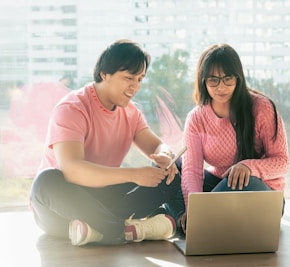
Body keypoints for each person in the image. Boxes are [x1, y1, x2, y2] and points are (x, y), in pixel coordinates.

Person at [30, 39, 181, 246]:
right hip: (63, 204)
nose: (135, 86)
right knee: (45, 181)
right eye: (128, 78)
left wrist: (165, 155)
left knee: (173, 170)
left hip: (103, 200)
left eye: (140, 79)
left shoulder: (131, 112)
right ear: (104, 74)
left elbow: (157, 145)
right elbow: (72, 170)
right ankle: (131, 228)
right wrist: (135, 175)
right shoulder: (72, 108)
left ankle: (99, 230)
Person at [179, 43, 290, 233]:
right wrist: (193, 206)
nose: (221, 87)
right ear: (203, 81)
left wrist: (249, 167)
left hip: (259, 192)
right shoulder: (196, 118)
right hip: (218, 185)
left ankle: (196, 222)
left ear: (238, 78)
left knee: (243, 180)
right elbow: (192, 170)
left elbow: (282, 162)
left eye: (227, 79)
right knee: (172, 168)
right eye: (213, 80)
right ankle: (195, 218)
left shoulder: (261, 108)